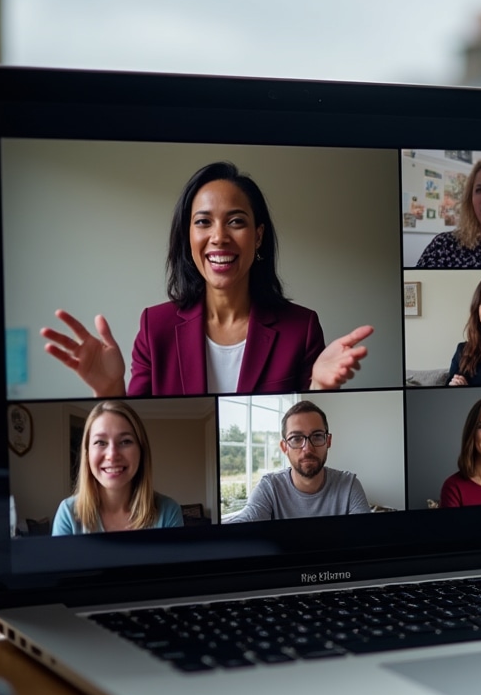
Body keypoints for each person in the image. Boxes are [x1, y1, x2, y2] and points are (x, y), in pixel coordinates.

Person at [41, 161, 372, 396]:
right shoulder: (154, 326)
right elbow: (138, 432)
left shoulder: (302, 328)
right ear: (188, 237)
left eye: (236, 222)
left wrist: (320, 387)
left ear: (258, 237)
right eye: (203, 222)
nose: (219, 237)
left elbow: (303, 424)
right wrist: (111, 389)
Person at [52, 400, 183, 534]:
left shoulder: (168, 512)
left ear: (141, 451)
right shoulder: (68, 514)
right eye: (100, 442)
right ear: (87, 454)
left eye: (125, 441)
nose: (112, 455)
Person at [228, 400, 371, 521]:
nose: (307, 449)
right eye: (296, 439)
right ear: (284, 447)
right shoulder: (269, 487)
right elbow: (244, 523)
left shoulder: (349, 485)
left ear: (328, 441)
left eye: (317, 436)